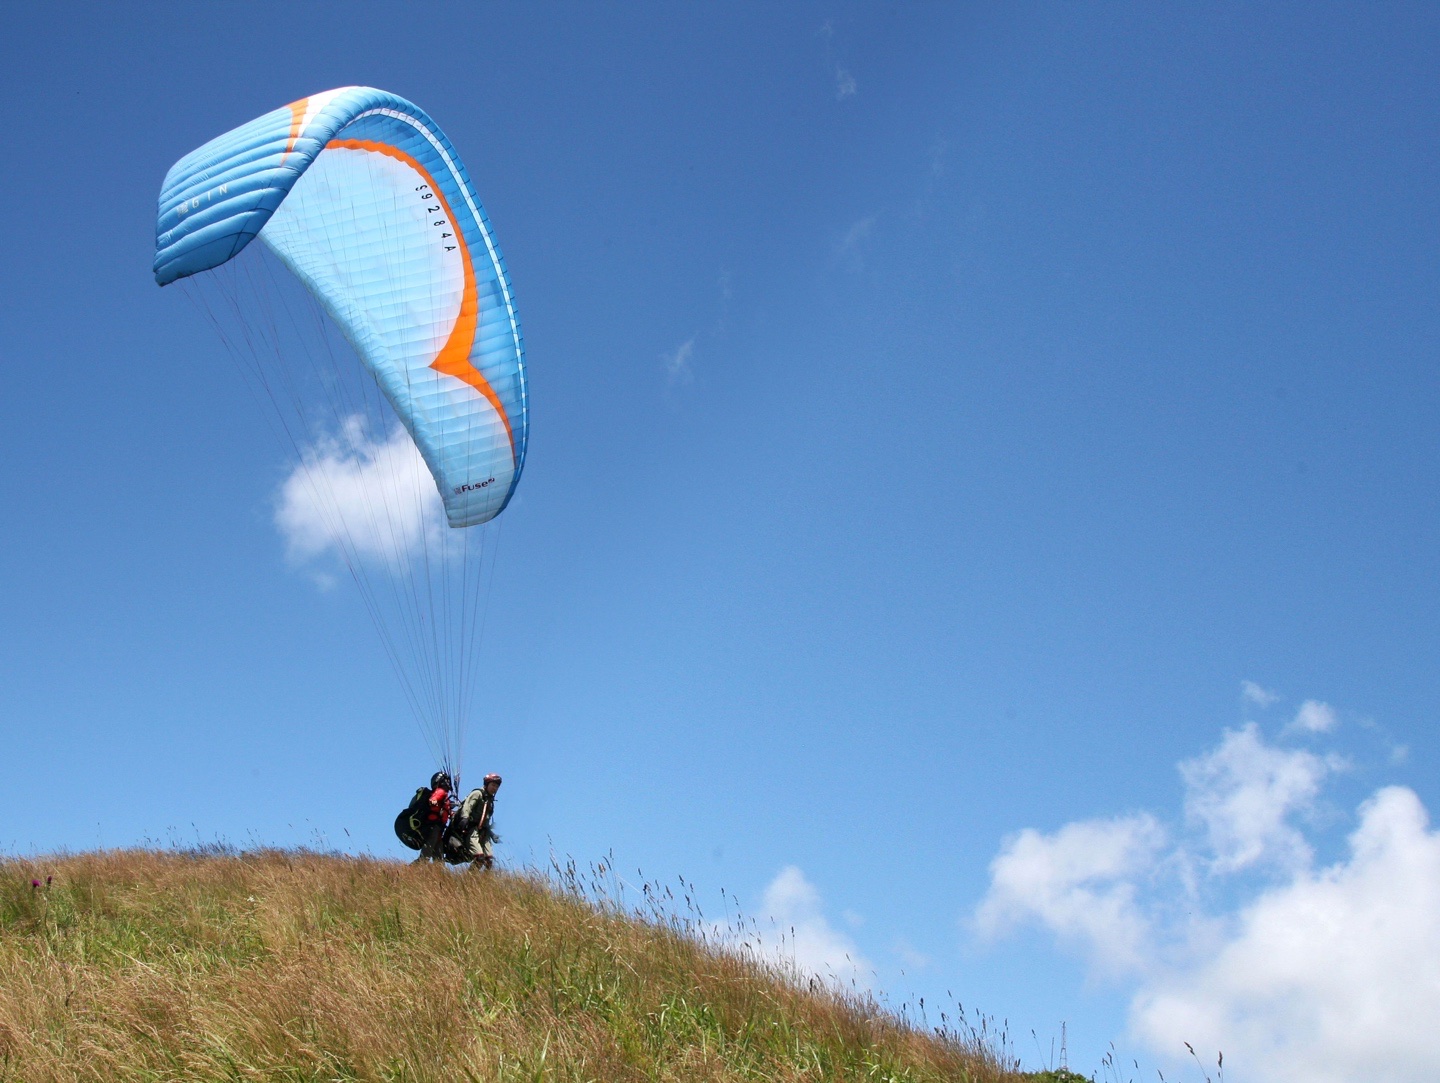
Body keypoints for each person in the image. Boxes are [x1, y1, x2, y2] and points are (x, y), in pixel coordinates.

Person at [447, 773, 502, 870]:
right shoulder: (477, 794)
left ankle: (483, 881)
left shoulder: (490, 801)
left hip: (483, 832)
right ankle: (469, 879)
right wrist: (465, 818)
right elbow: (467, 806)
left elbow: (486, 821)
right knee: (479, 857)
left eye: (497, 787)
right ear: (487, 784)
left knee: (488, 860)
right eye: (493, 785)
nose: (495, 788)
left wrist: (492, 834)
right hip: (472, 829)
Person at [415, 770, 455, 864]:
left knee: (439, 859)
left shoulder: (445, 798)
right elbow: (433, 799)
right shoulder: (440, 791)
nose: (448, 783)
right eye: (447, 781)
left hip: (439, 831)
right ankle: (409, 871)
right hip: (434, 828)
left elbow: (446, 811)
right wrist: (433, 801)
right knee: (426, 855)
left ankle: (439, 876)